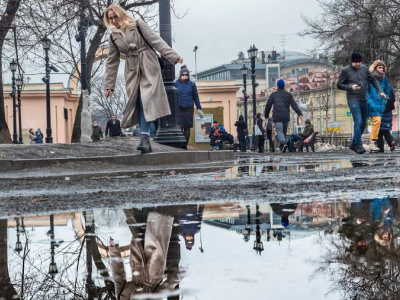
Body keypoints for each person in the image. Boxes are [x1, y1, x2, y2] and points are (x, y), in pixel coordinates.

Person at [103, 4, 184, 154]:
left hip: (148, 64)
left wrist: (173, 56)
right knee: (138, 101)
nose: (114, 20)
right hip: (132, 69)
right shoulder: (113, 37)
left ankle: (145, 138)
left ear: (121, 14)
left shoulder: (138, 24)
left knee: (145, 99)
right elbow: (111, 62)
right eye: (110, 18)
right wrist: (109, 85)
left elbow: (155, 41)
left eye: (115, 17)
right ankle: (146, 138)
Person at [337, 52, 386, 154]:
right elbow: (339, 85)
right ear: (352, 62)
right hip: (353, 99)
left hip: (364, 99)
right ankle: (358, 145)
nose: (358, 64)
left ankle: (353, 144)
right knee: (358, 121)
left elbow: (373, 80)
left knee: (363, 123)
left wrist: (380, 91)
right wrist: (350, 87)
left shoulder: (364, 68)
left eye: (359, 62)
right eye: (356, 62)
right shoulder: (346, 71)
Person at [264, 79, 303, 152]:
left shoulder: (273, 95)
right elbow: (294, 105)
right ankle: (283, 148)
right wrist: (299, 114)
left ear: (277, 86)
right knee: (283, 132)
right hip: (286, 117)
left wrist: (266, 115)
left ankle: (284, 143)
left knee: (279, 131)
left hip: (277, 117)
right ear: (284, 86)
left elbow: (268, 105)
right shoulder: (288, 95)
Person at [175, 65, 204, 144]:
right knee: (180, 127)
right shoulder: (176, 84)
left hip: (189, 109)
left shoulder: (192, 84)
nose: (185, 76)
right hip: (179, 109)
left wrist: (199, 108)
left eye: (186, 75)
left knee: (187, 127)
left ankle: (185, 144)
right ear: (180, 75)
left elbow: (195, 97)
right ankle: (180, 144)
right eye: (183, 75)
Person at [367, 60, 391, 153]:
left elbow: (386, 91)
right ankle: (368, 143)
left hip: (380, 105)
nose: (381, 69)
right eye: (379, 67)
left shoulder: (384, 79)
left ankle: (372, 143)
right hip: (370, 104)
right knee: (375, 121)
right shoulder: (369, 77)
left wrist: (385, 100)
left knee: (377, 122)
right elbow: (366, 91)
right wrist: (370, 102)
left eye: (382, 68)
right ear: (375, 67)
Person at [378, 84, 396, 152]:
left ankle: (380, 148)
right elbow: (393, 98)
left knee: (379, 131)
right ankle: (391, 142)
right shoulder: (390, 87)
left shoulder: (379, 86)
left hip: (380, 111)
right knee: (385, 130)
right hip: (388, 111)